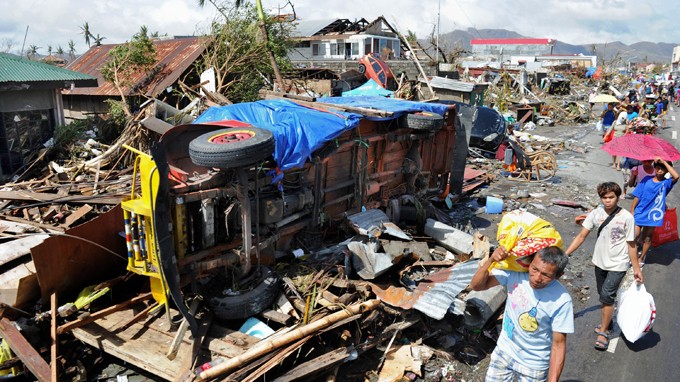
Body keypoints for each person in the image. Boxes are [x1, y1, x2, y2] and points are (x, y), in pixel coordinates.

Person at [471, 246, 573, 382]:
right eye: (534, 269)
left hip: (534, 365)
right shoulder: (515, 274)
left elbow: (558, 345)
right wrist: (491, 260)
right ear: (530, 263)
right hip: (504, 351)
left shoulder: (562, 300)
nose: (537, 278)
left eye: (546, 275)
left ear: (558, 275)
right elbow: (476, 286)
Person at [565, 182, 643, 351]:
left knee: (607, 297)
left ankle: (604, 332)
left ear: (617, 197)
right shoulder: (596, 213)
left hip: (618, 264)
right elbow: (581, 236)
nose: (608, 201)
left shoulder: (626, 218)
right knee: (603, 294)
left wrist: (636, 268)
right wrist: (566, 254)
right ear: (600, 198)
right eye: (604, 198)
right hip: (599, 262)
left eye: (611, 197)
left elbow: (632, 245)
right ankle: (608, 321)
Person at [631, 157, 679, 264]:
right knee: (635, 235)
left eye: (662, 168)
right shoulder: (646, 179)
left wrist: (664, 162)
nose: (660, 170)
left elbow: (676, 176)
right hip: (640, 211)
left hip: (654, 214)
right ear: (655, 168)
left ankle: (641, 257)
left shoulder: (666, 184)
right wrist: (632, 209)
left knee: (648, 238)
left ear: (666, 170)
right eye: (658, 167)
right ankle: (631, 255)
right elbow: (637, 196)